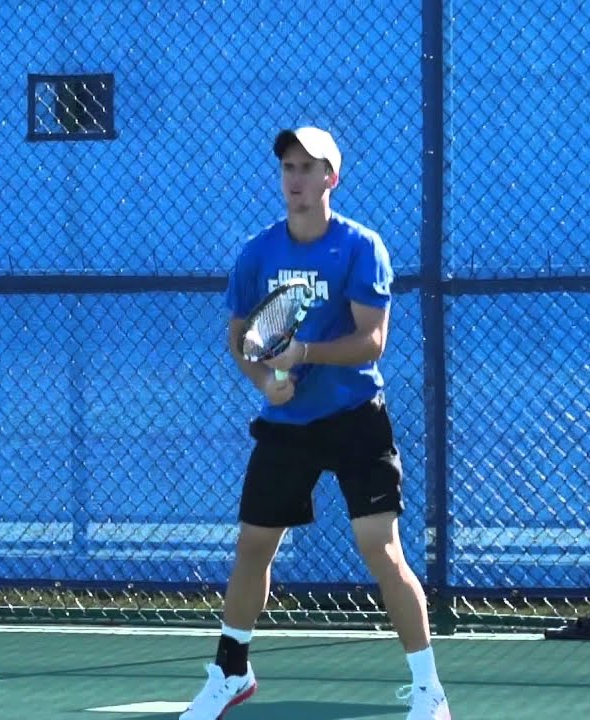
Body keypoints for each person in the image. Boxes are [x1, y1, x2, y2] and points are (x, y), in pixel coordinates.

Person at [180, 127, 450, 720]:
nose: (295, 179)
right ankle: (231, 673)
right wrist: (265, 381)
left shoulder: (360, 247)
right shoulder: (258, 252)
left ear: (332, 178)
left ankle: (428, 688)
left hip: (356, 418)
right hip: (287, 425)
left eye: (308, 168)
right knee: (253, 547)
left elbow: (371, 341)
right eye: (287, 168)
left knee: (380, 548)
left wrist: (303, 354)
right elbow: (239, 339)